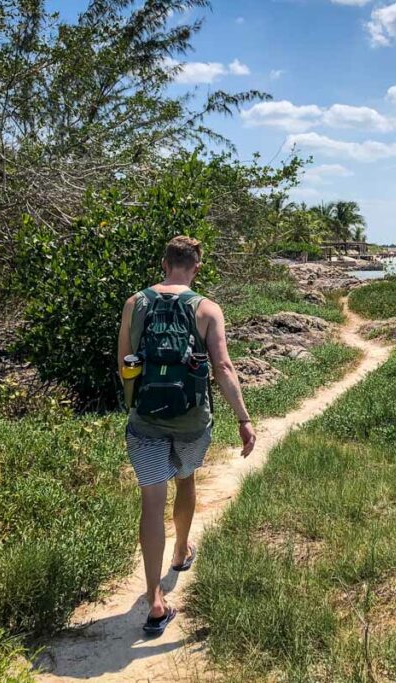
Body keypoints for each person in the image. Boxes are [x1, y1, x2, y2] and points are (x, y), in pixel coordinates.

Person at [117, 235, 257, 635]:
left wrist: (137, 403)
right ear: (196, 267)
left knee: (151, 501)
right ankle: (180, 552)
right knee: (186, 480)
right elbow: (224, 368)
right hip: (192, 419)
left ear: (164, 264)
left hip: (145, 420)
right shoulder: (207, 308)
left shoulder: (134, 303)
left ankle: (155, 601)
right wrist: (243, 419)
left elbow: (124, 362)